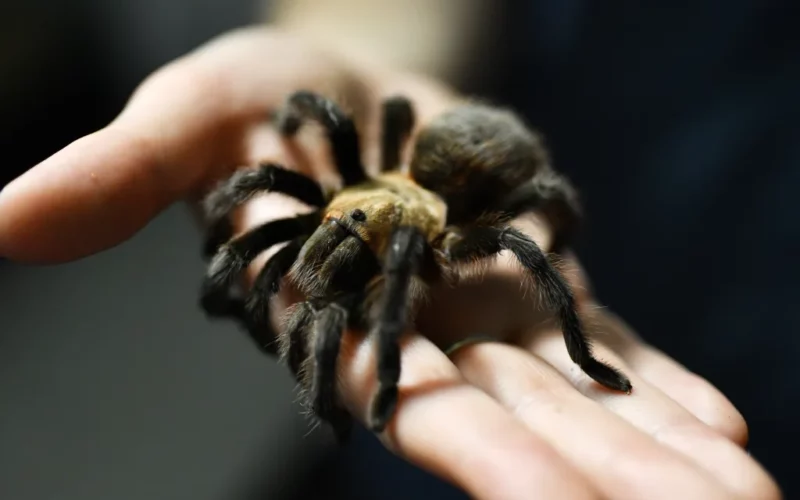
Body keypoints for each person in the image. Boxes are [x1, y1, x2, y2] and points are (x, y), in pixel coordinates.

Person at [0, 2, 787, 499]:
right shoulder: (338, 197)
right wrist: (356, 58)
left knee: (526, 244)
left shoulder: (459, 228)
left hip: (749, 207)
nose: (332, 236)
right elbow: (295, 152)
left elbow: (536, 225)